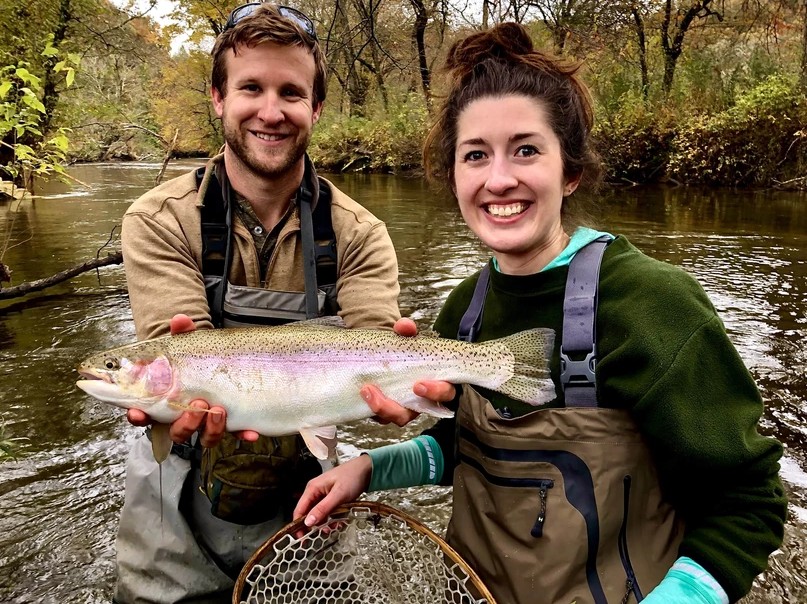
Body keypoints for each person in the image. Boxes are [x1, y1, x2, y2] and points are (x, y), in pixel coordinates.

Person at [293, 22, 788, 604]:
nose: (499, 179)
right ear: (453, 177)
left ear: (570, 171)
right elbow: (468, 451)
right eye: (475, 155)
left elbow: (748, 501)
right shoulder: (464, 312)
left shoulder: (653, 304)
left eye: (526, 150)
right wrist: (370, 469)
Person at [114, 4, 412, 603]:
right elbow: (181, 365)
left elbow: (380, 345)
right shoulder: (158, 219)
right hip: (180, 486)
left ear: (316, 109)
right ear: (219, 98)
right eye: (251, 87)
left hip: (308, 484)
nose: (271, 112)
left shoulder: (360, 233)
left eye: (291, 93)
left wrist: (407, 387)